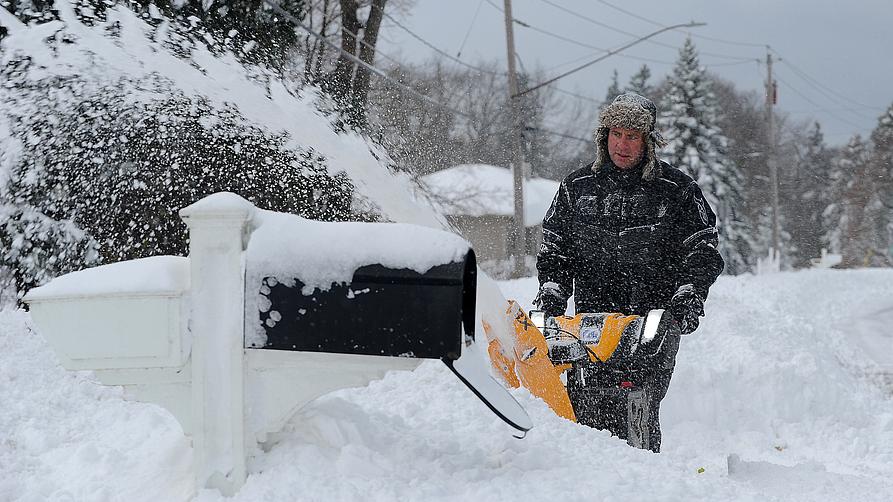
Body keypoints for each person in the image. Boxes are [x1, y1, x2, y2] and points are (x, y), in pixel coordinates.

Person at [534, 92, 724, 452]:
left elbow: (702, 249)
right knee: (583, 404)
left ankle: (643, 475)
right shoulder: (577, 188)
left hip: (651, 322)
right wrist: (554, 288)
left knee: (637, 403)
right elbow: (555, 245)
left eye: (632, 136)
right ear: (604, 136)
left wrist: (689, 292)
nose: (622, 144)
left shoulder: (678, 191)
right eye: (616, 133)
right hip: (591, 324)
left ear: (647, 142)